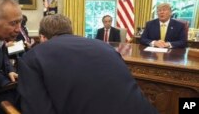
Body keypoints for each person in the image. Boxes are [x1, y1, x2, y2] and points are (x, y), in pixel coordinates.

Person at [17, 14, 158, 114]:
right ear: (70, 31)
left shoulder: (32, 58)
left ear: (42, 37)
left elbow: (37, 109)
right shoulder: (107, 48)